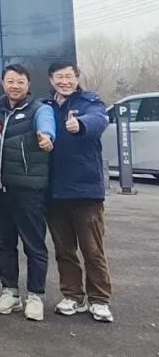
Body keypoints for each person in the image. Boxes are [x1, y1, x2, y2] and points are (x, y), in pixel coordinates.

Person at [45, 60, 114, 323]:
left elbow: (99, 120)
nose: (64, 81)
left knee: (92, 249)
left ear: (77, 78)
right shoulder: (46, 106)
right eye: (59, 77)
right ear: (51, 80)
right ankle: (73, 295)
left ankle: (99, 299)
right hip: (55, 190)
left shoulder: (89, 101)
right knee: (64, 250)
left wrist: (80, 124)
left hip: (86, 190)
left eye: (69, 76)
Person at [0, 64, 56, 322]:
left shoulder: (39, 109)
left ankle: (35, 295)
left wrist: (47, 137)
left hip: (28, 190)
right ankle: (10, 292)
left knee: (33, 244)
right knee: (3, 243)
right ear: (2, 83)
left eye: (20, 82)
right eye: (10, 81)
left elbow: (47, 126)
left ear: (28, 85)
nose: (15, 86)